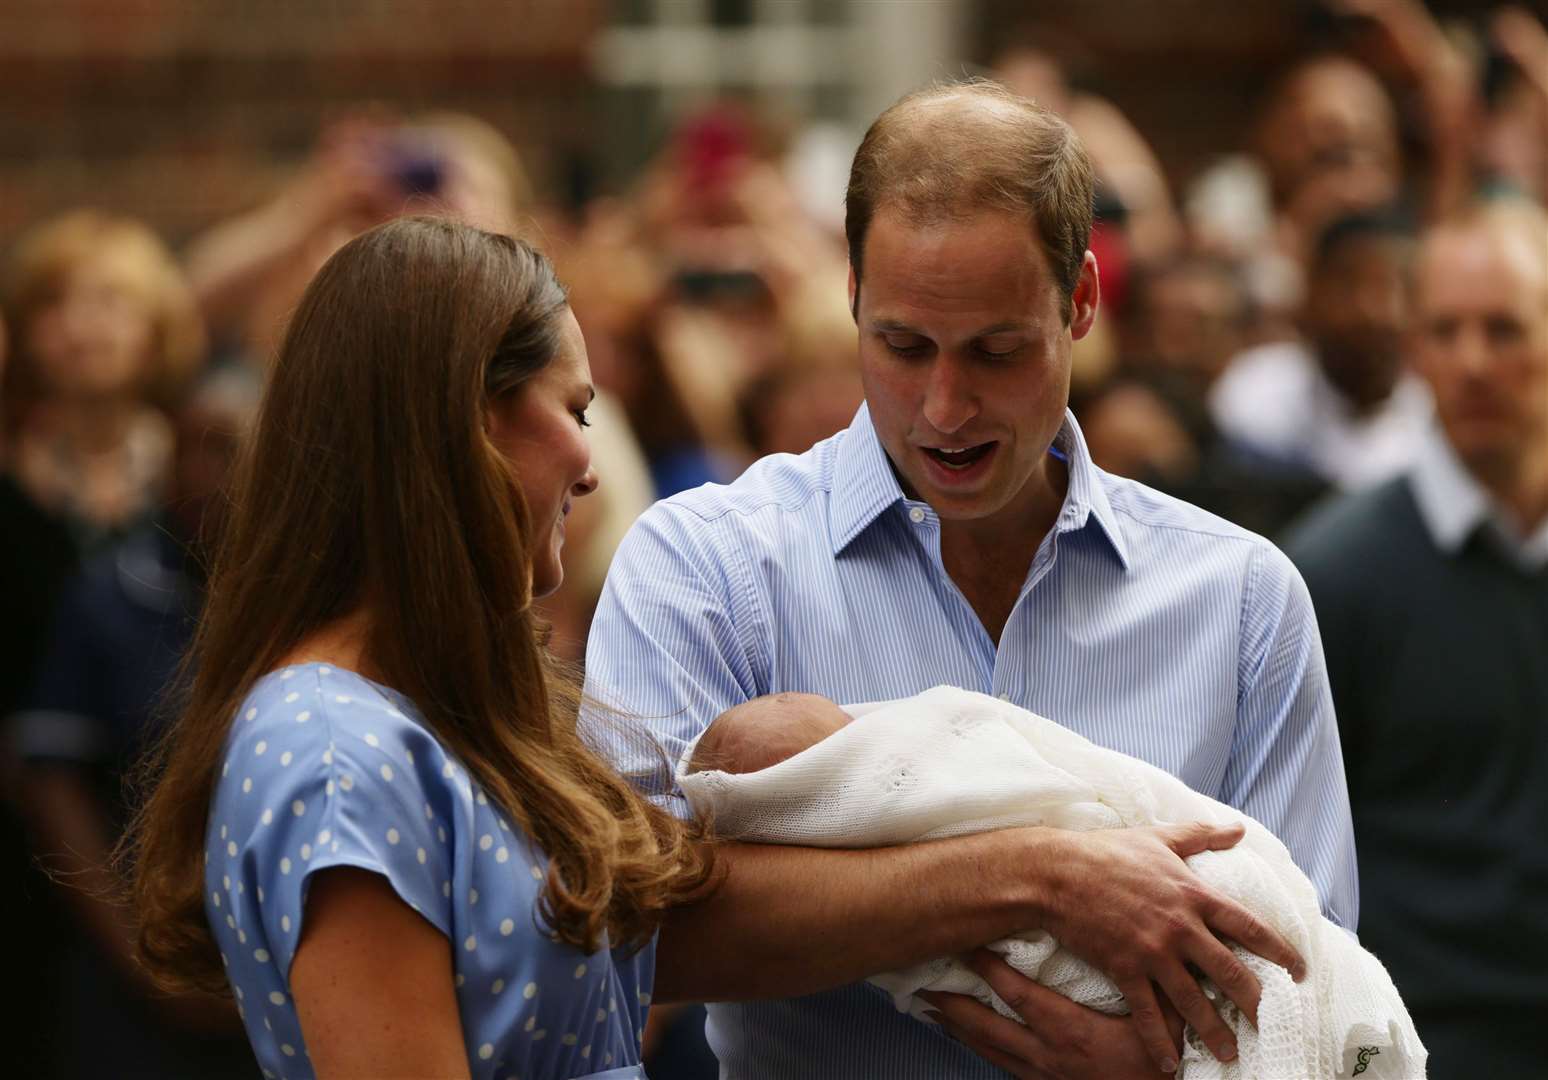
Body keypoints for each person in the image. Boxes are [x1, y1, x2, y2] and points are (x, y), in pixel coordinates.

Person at [585, 80, 1351, 1079]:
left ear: (1080, 302)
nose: (945, 408)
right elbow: (634, 933)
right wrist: (1031, 876)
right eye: (903, 347)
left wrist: (1169, 1066)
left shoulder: (1245, 603)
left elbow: (1317, 988)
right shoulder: (707, 567)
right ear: (851, 293)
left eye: (996, 351)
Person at [125, 217, 712, 1079]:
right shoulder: (333, 756)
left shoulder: (424, 708)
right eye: (578, 409)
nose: (591, 467)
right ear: (471, 421)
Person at [1284, 197, 1548, 1075]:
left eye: (1504, 329)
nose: (1473, 363)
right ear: (1414, 349)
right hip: (1423, 1046)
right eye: (1445, 330)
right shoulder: (1333, 576)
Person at [16, 369, 259, 1079]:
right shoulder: (110, 596)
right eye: (203, 451)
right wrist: (139, 956)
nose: (223, 476)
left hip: (281, 981)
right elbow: (49, 783)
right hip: (137, 980)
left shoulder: (311, 598)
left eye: (243, 453)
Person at [1209, 210, 1430, 491]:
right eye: (1351, 285)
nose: (1376, 312)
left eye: (1397, 287)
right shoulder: (1254, 391)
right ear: (1311, 290)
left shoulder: (1438, 424)